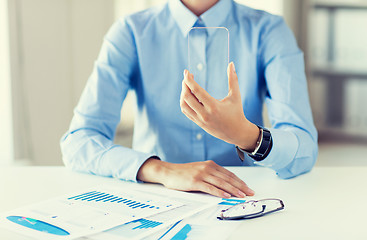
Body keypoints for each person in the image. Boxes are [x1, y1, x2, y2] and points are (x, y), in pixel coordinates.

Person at [60, 0, 318, 199]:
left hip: (244, 198)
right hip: (154, 199)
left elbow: (304, 150)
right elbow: (78, 143)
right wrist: (162, 171)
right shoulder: (130, 32)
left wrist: (246, 135)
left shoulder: (270, 31)